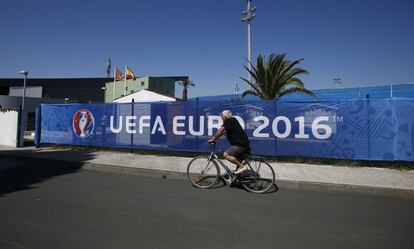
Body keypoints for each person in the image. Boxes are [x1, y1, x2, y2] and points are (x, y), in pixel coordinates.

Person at [208, 110, 251, 175]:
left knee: (226, 154)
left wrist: (213, 139)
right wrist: (214, 138)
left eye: (222, 116)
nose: (221, 118)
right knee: (238, 171)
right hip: (244, 144)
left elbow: (220, 130)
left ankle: (242, 166)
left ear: (225, 116)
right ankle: (237, 181)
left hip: (240, 145)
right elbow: (222, 132)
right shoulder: (232, 121)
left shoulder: (229, 120)